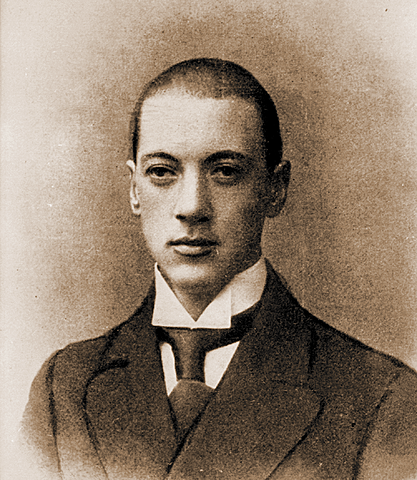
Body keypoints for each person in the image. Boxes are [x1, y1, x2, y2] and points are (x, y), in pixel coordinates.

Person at [21, 58, 417, 480]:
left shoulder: (382, 397)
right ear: (134, 189)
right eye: (162, 172)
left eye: (225, 172)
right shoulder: (64, 387)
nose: (192, 206)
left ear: (275, 189)